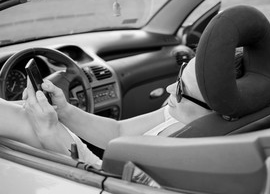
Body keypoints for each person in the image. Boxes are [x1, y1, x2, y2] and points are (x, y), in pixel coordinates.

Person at [1, 56, 218, 165]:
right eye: (179, 76)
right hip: (101, 169)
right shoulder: (180, 113)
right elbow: (118, 131)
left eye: (181, 89)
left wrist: (49, 133)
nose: (170, 88)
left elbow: (105, 182)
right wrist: (64, 110)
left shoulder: (190, 160)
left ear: (214, 109)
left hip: (96, 173)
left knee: (25, 118)